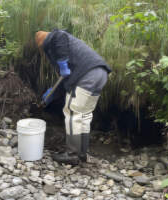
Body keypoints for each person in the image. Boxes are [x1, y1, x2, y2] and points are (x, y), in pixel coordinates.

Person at [35, 29, 111, 165]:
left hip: (86, 75)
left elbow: (59, 36)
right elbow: (65, 79)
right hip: (100, 74)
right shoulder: (70, 49)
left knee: (71, 111)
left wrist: (62, 63)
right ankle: (82, 154)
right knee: (85, 114)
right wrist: (51, 94)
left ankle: (71, 153)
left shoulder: (55, 38)